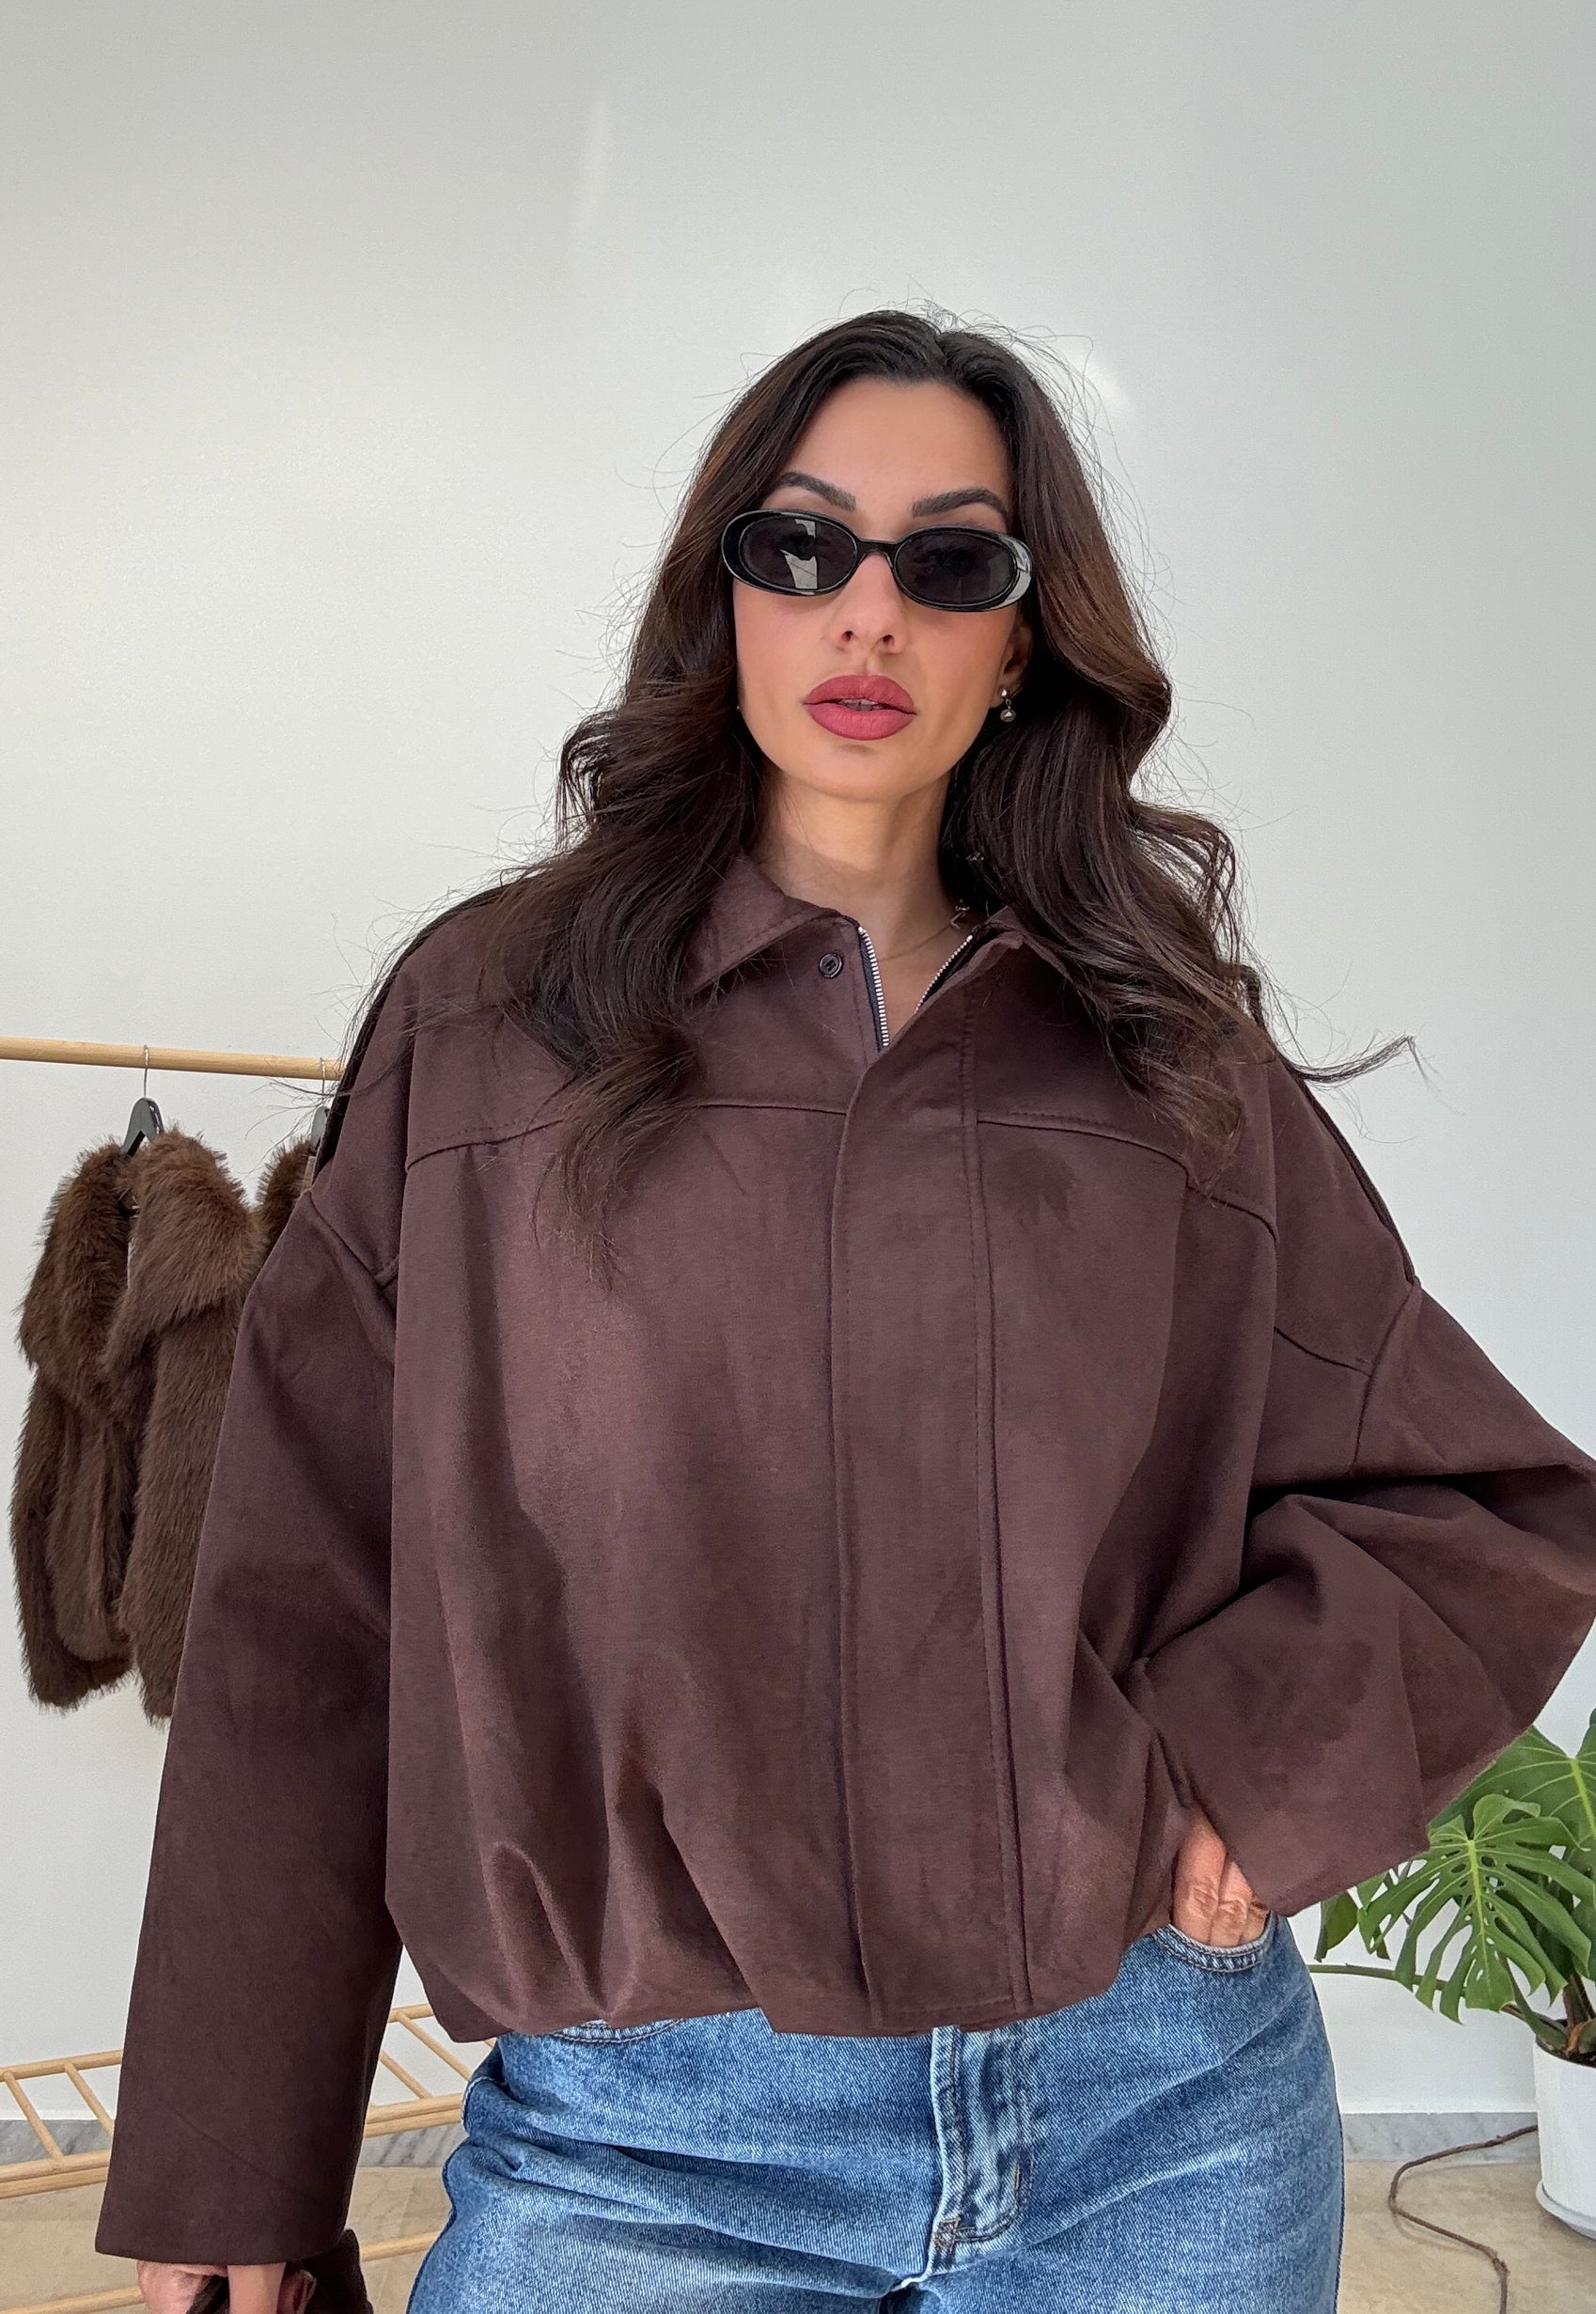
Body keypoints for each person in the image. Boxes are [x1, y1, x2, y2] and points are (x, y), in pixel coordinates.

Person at [95, 310, 1596, 2313]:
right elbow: (304, 1601)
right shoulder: (492, 1030)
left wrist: (1239, 1770)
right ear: (721, 592)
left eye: (949, 559)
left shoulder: (1162, 1059)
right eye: (801, 545)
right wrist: (234, 2155)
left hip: (1156, 2117)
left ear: (1023, 640)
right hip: (640, 2144)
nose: (866, 612)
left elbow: (1474, 1499)